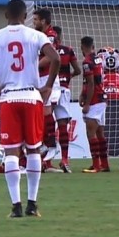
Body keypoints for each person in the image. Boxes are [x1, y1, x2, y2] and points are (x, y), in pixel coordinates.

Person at [0, 0, 60, 218]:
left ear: (5, 16)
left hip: (9, 98)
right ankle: (32, 204)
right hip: (31, 96)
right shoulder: (36, 35)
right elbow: (55, 58)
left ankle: (16, 206)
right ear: (25, 16)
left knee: (11, 152)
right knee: (33, 150)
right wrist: (47, 86)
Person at [32, 8, 63, 172]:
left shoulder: (50, 35)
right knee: (39, 113)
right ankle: (45, 156)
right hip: (39, 78)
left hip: (48, 77)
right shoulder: (38, 35)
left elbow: (50, 57)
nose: (34, 22)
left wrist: (33, 66)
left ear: (44, 21)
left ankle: (50, 144)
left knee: (45, 111)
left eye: (36, 19)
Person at [52, 26, 82, 173]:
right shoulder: (68, 50)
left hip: (48, 87)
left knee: (45, 123)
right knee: (62, 124)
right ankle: (64, 159)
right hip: (63, 89)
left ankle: (45, 160)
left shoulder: (44, 50)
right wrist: (67, 76)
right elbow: (78, 70)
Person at [79, 36, 110, 173]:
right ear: (93, 46)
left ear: (82, 47)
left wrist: (86, 103)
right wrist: (82, 93)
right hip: (102, 98)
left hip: (95, 101)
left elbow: (91, 83)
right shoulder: (99, 59)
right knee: (100, 133)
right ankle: (104, 164)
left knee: (91, 133)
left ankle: (96, 165)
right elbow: (89, 82)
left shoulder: (87, 62)